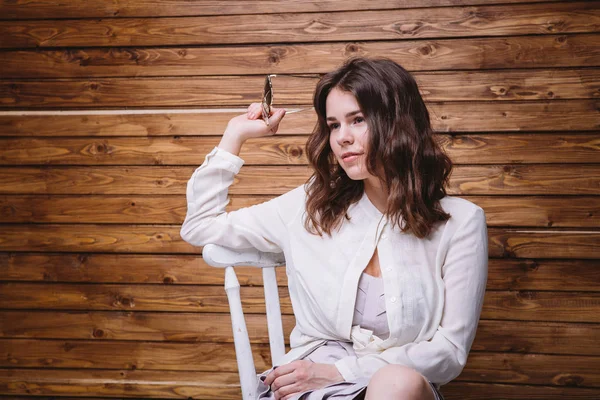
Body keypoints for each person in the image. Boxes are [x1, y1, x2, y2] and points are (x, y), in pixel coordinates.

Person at [180, 57, 488, 400]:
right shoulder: (311, 205)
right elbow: (201, 226)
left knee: (397, 382)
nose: (342, 138)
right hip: (305, 383)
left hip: (391, 388)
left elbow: (449, 352)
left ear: (399, 124)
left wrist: (338, 373)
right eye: (333, 125)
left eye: (357, 120)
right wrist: (235, 134)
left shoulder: (460, 222)